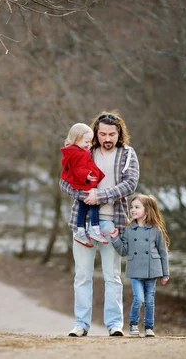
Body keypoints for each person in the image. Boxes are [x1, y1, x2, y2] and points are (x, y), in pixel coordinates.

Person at [59, 111, 139, 337]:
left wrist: (100, 197)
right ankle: (81, 324)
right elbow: (63, 182)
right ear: (95, 133)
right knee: (82, 275)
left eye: (111, 134)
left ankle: (114, 325)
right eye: (102, 133)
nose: (107, 138)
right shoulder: (84, 151)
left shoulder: (127, 154)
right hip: (83, 224)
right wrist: (85, 194)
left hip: (113, 223)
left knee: (112, 275)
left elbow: (130, 184)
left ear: (119, 133)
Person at [108, 194, 170, 338]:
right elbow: (123, 251)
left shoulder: (156, 229)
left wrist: (165, 273)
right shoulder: (129, 229)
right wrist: (115, 238)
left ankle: (149, 327)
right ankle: (133, 324)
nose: (132, 210)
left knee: (150, 300)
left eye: (137, 207)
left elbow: (163, 252)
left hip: (152, 270)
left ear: (147, 211)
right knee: (139, 299)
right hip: (135, 270)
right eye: (131, 207)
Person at [60, 123, 109, 247]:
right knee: (93, 204)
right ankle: (94, 229)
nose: (89, 144)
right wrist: (86, 175)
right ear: (76, 139)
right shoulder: (79, 153)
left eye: (90, 141)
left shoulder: (75, 150)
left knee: (83, 206)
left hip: (79, 182)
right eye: (86, 141)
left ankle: (81, 231)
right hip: (82, 182)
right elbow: (77, 169)